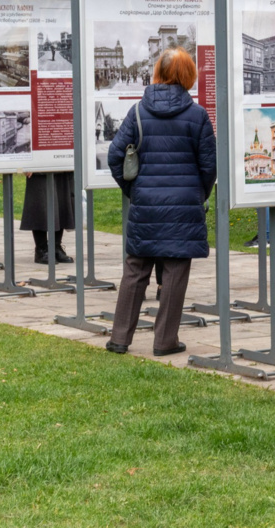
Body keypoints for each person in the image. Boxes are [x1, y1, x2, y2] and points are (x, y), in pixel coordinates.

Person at [105, 47, 216, 357]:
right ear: (188, 76)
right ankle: (165, 340)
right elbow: (208, 167)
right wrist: (197, 196)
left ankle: (119, 338)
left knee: (135, 269)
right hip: (183, 206)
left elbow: (116, 155)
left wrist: (134, 191)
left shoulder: (138, 112)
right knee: (175, 271)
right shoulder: (198, 115)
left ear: (157, 73)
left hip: (146, 205)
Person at [20, 172, 74, 264]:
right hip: (38, 165)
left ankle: (55, 247)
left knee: (61, 200)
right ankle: (41, 249)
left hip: (61, 164)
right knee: (40, 201)